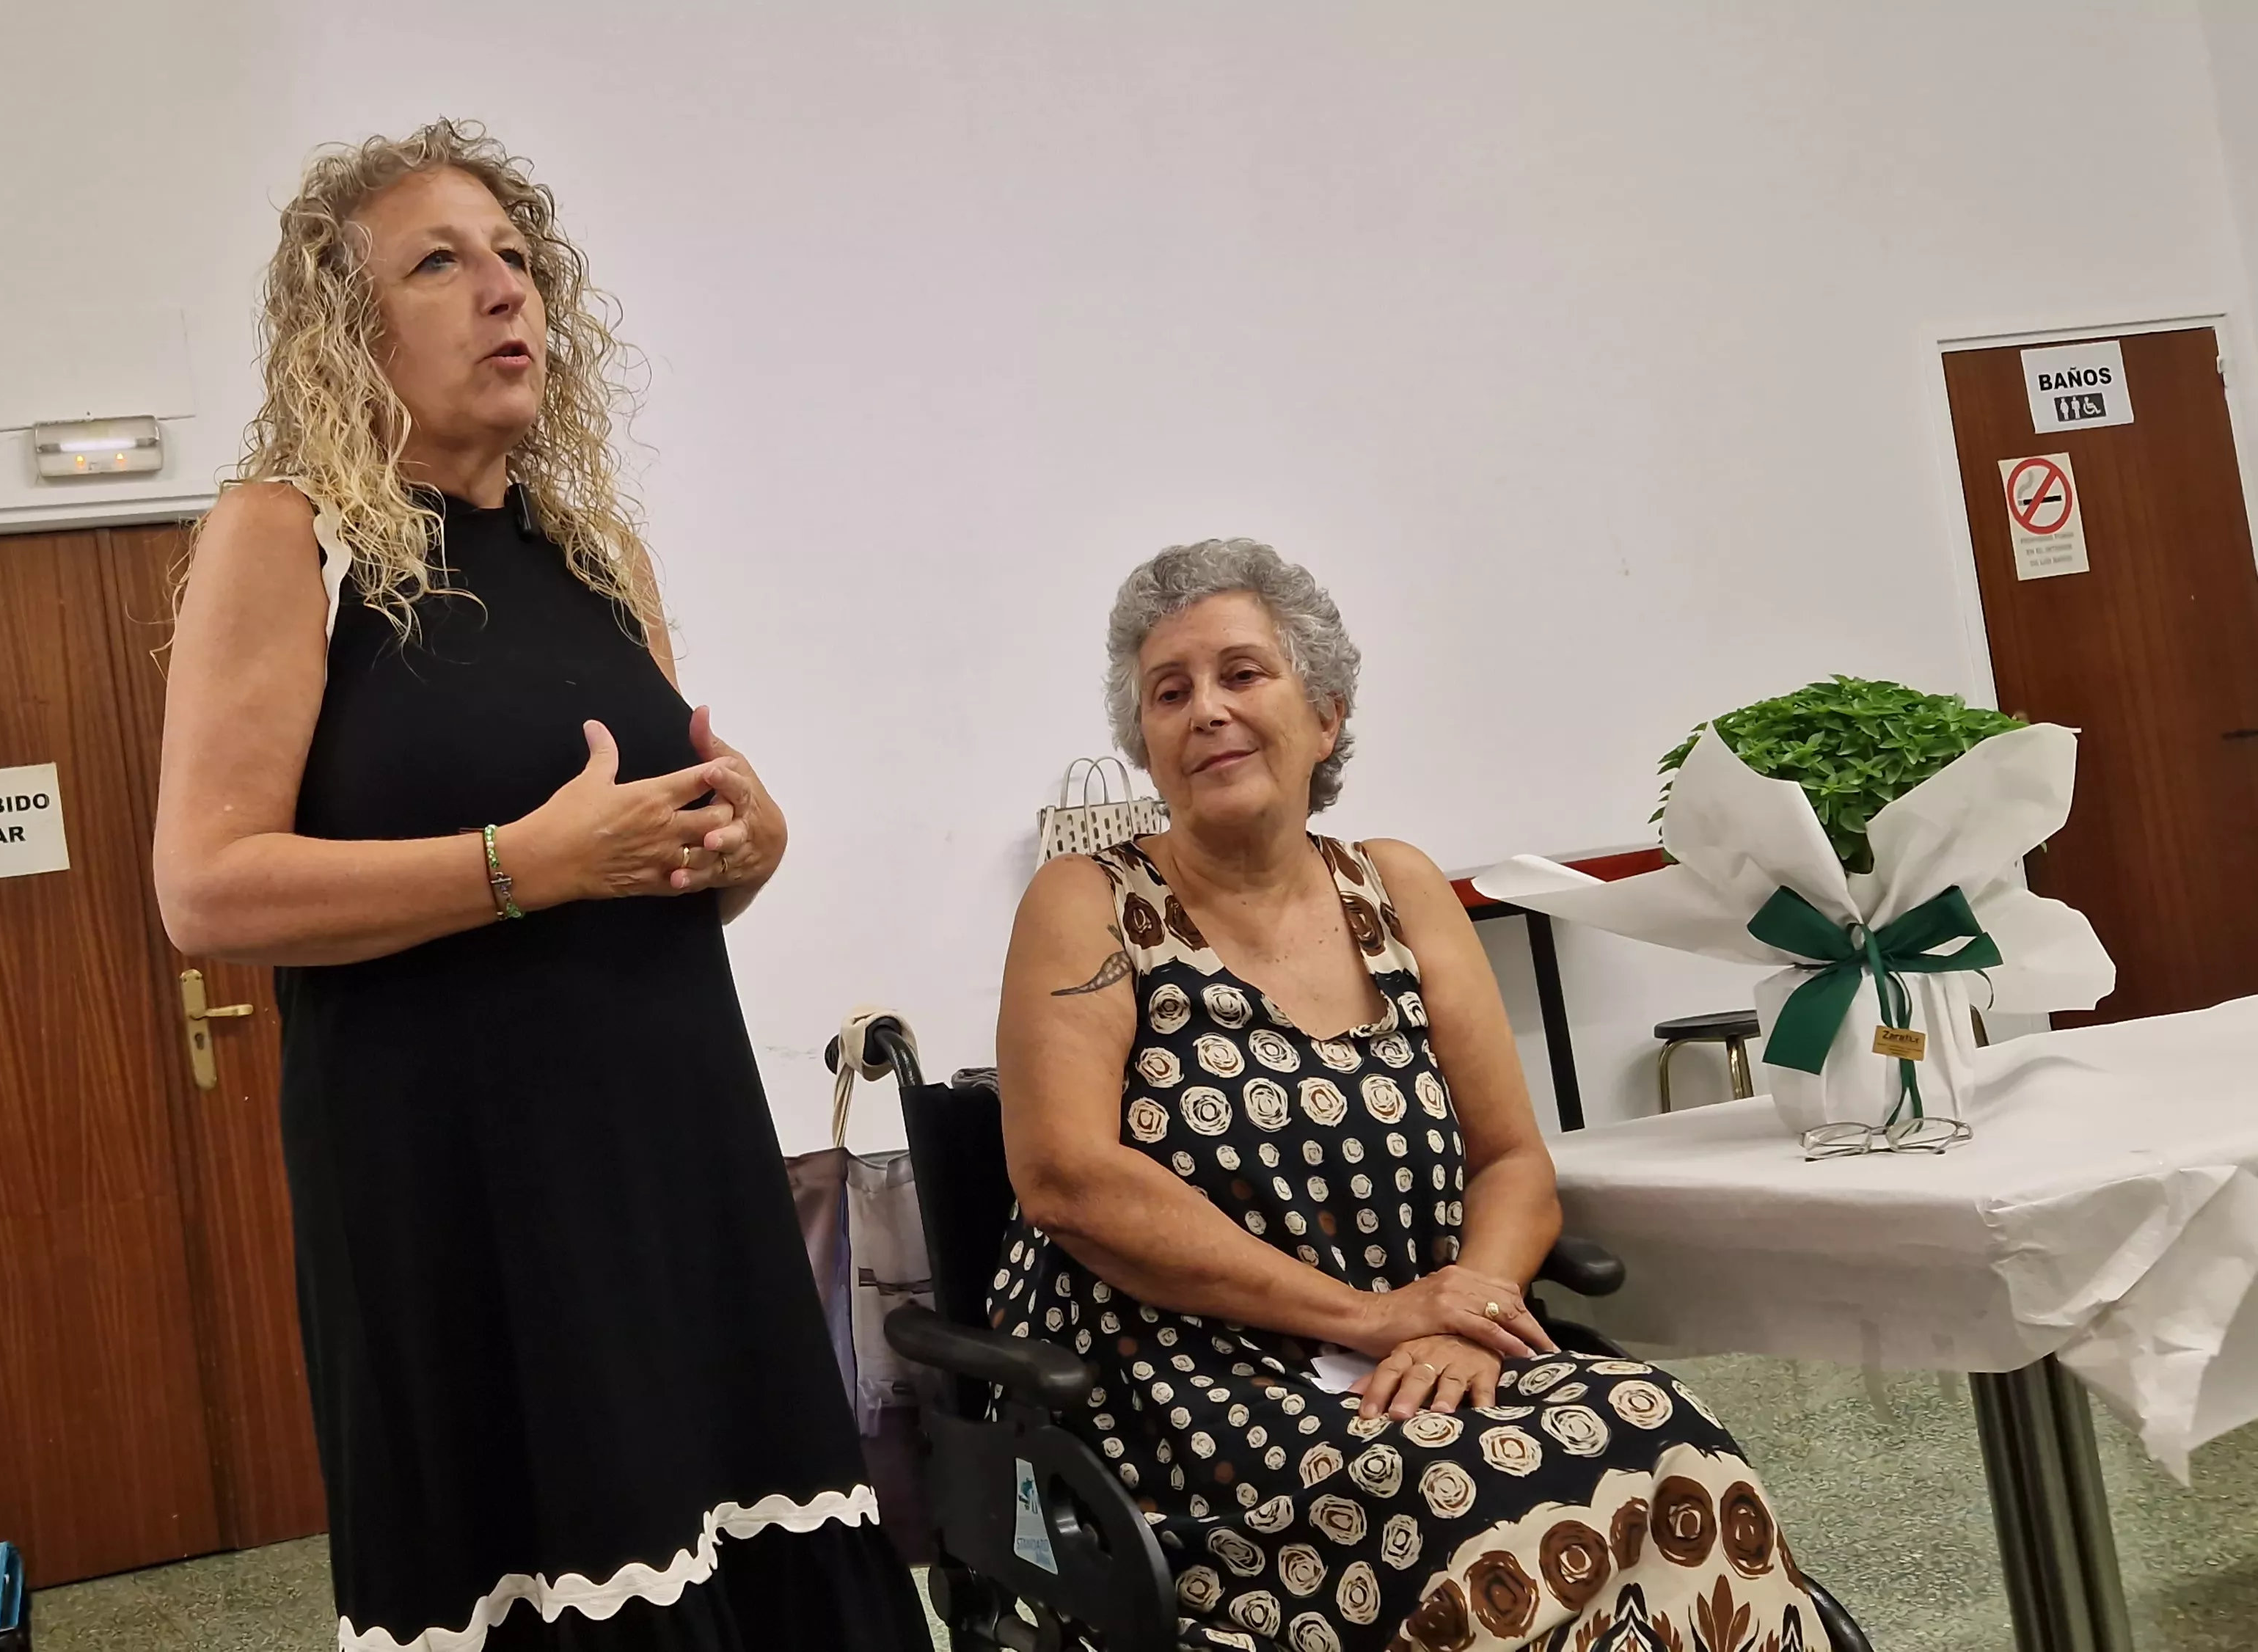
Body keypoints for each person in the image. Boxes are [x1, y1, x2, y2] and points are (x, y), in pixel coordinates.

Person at [153, 122, 929, 1652]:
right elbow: (206, 889)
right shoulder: (286, 536)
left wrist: (740, 848)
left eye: (517, 259)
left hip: (670, 1154)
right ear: (344, 327)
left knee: (748, 1552)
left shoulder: (592, 553)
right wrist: (528, 864)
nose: (503, 290)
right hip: (457, 1187)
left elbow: (640, 864)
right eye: (439, 261)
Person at [990, 540, 1833, 1652]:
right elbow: (1066, 1179)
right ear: (1144, 741)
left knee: (1664, 1433)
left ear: (1326, 715)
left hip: (1418, 1355)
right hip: (1187, 1393)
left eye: (1244, 674)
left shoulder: (1397, 887)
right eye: (1169, 691)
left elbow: (1511, 1160)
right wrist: (1374, 1318)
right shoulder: (1089, 899)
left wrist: (1473, 1309)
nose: (1206, 711)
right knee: (1484, 1514)